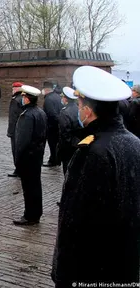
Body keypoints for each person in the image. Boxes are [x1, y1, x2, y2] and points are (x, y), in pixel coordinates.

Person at [52, 66, 140, 287]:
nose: (78, 110)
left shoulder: (91, 152)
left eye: (80, 105)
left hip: (93, 266)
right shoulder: (135, 143)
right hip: (127, 259)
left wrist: (63, 274)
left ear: (89, 111)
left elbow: (74, 221)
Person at [13, 85, 47, 226]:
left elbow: (22, 141)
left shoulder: (26, 115)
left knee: (29, 188)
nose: (22, 99)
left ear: (27, 99)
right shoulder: (40, 112)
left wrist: (18, 160)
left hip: (28, 158)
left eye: (23, 97)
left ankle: (30, 215)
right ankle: (36, 213)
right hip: (37, 155)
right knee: (35, 186)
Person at [57, 86, 80, 175]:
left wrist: (62, 149)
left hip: (68, 147)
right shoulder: (78, 108)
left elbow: (64, 133)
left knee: (67, 170)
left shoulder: (64, 112)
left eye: (62, 97)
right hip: (78, 144)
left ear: (65, 99)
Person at [42, 80, 63, 167]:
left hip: (52, 126)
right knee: (57, 143)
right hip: (59, 125)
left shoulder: (48, 99)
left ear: (46, 89)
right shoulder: (58, 96)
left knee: (52, 144)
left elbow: (51, 113)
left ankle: (53, 160)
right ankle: (57, 159)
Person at [7, 82, 24, 178]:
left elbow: (13, 118)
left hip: (15, 130)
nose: (12, 90)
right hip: (22, 129)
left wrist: (10, 132)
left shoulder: (15, 100)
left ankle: (18, 169)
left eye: (13, 88)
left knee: (16, 150)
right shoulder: (23, 98)